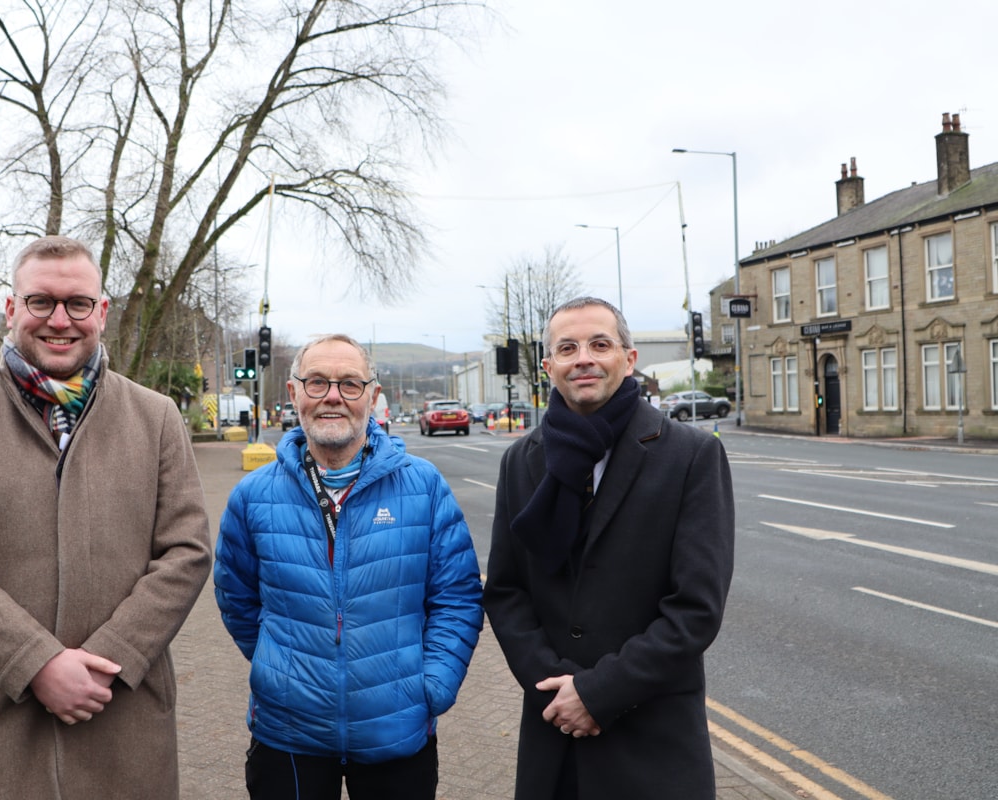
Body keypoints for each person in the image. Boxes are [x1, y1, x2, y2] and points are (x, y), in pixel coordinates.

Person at [0, 235, 212, 800]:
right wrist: (37, 663)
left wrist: (108, 661)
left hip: (123, 714)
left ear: (102, 311)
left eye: (77, 303)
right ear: (11, 308)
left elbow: (186, 551)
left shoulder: (157, 417)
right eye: (41, 302)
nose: (59, 320)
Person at [483, 296, 735, 800]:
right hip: (555, 737)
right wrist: (558, 689)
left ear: (628, 358)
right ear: (548, 365)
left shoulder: (691, 455)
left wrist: (597, 694)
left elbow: (695, 609)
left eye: (600, 344)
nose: (584, 358)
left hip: (652, 742)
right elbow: (507, 590)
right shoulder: (520, 461)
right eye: (568, 347)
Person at [214, 333, 483, 800]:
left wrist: (432, 687)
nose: (333, 396)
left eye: (349, 384)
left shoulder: (424, 486)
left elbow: (456, 597)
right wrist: (281, 670)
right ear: (294, 393)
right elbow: (237, 598)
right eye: (316, 382)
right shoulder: (252, 495)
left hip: (396, 733)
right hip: (288, 736)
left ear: (373, 396)